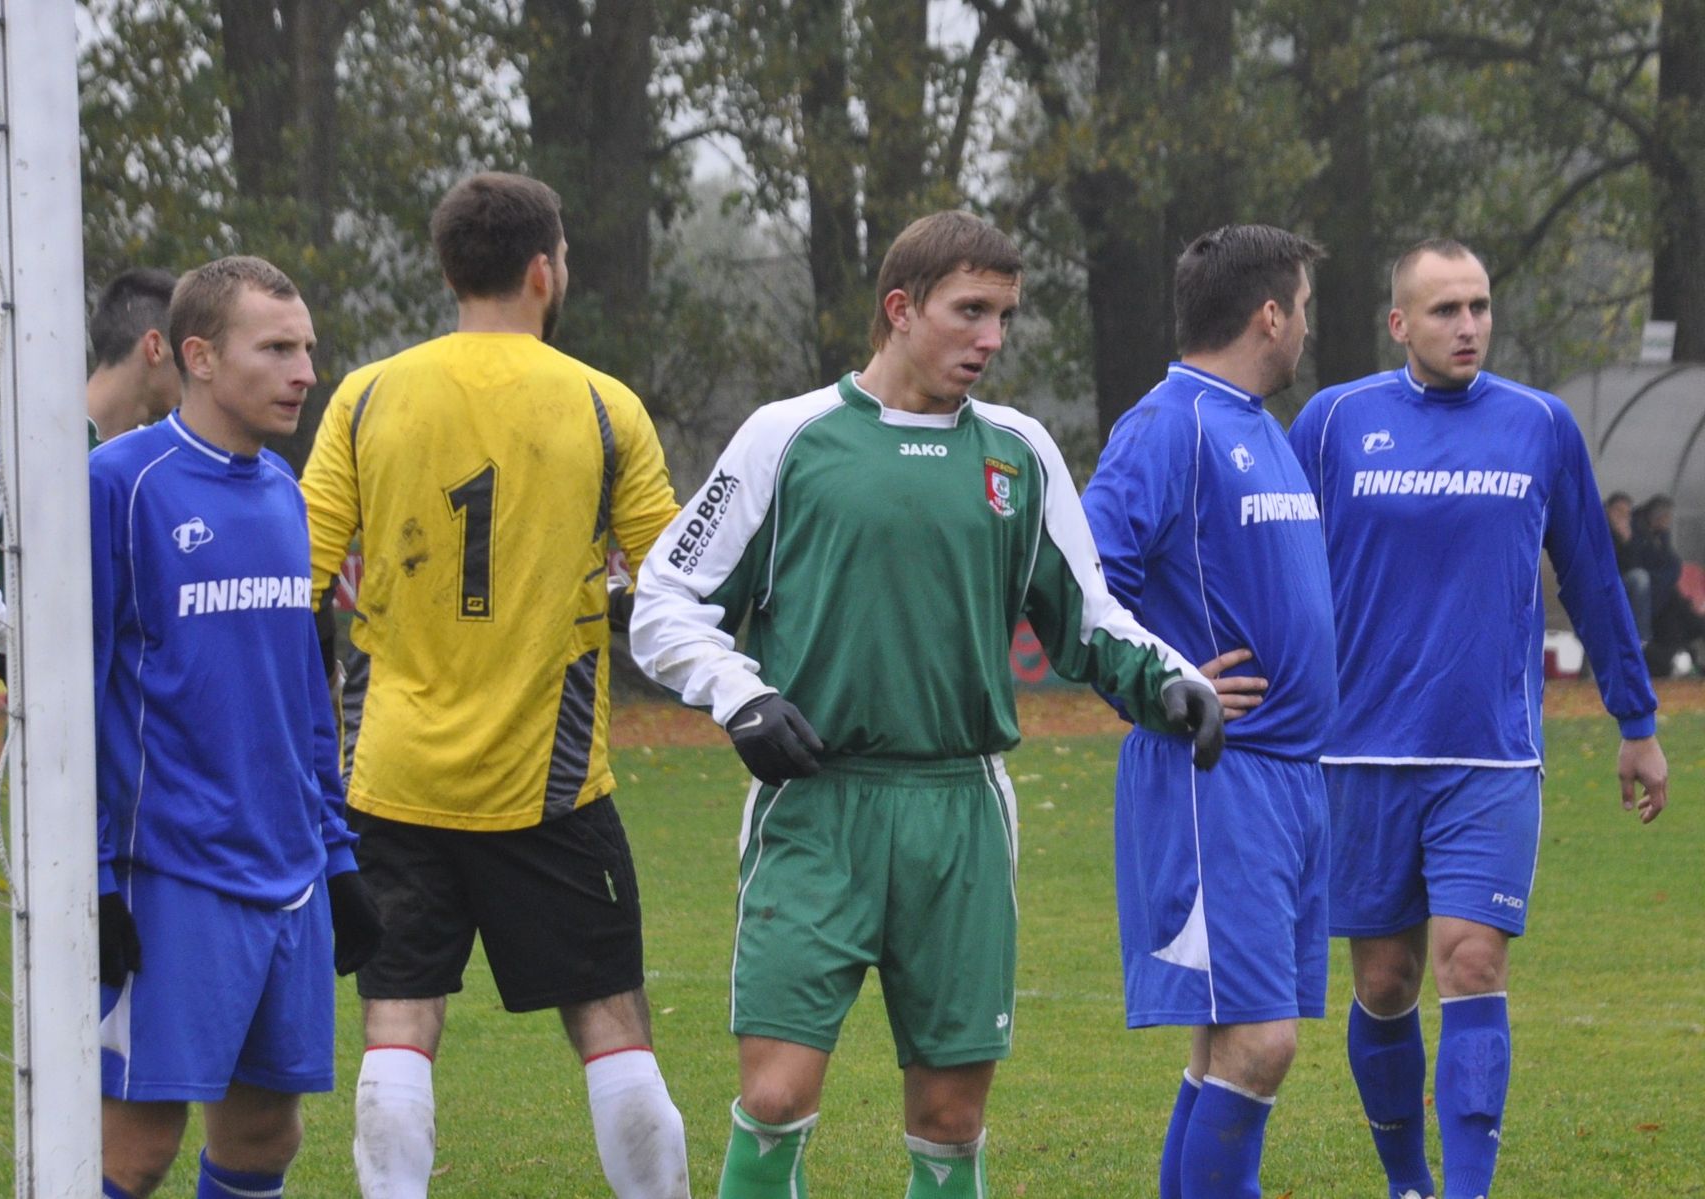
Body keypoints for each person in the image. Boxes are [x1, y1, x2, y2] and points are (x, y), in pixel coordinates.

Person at [630, 210, 1226, 1199]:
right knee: (775, 1095)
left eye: (1003, 316)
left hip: (958, 812)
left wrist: (1170, 683)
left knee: (949, 1119)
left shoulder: (1015, 451)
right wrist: (741, 695)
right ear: (899, 311)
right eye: (969, 312)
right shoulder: (788, 437)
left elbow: (1088, 615)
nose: (989, 339)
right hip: (816, 809)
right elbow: (662, 597)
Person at [300, 172, 690, 1199]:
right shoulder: (605, 404)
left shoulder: (366, 394)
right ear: (543, 269)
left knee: (398, 1022)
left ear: (444, 268)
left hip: (388, 772)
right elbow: (677, 582)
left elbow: (297, 573)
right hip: (550, 785)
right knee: (611, 1023)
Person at [1289, 238, 1668, 1199]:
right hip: (1358, 755)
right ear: (1399, 322)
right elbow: (1275, 566)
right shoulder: (1334, 423)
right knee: (1383, 982)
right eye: (1447, 309)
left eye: (1481, 307)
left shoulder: (1540, 426)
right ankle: (1408, 1182)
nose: (1469, 326)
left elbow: (1590, 572)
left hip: (1488, 758)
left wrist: (1637, 718)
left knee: (1473, 960)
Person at [90, 255, 384, 1198]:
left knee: (265, 1134)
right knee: (133, 1150)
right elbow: (73, 700)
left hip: (290, 874)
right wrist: (94, 881)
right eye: (278, 349)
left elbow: (304, 695)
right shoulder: (119, 485)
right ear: (200, 357)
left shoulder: (286, 496)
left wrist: (337, 859)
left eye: (308, 348)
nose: (305, 371)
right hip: (169, 875)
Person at [1080, 225, 1337, 1199]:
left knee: (1226, 1043)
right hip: (1215, 775)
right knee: (1258, 1042)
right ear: (1268, 313)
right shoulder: (1167, 423)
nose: (1305, 327)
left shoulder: (1258, 423)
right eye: (1303, 308)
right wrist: (1157, 685)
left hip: (1287, 779)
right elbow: (1082, 578)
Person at [0, 267, 181, 658]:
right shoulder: (36, 437)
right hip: (47, 715)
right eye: (188, 348)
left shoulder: (156, 454)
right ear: (155, 348)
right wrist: (18, 636)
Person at [1629, 493, 1705, 674]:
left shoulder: (1661, 534)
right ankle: (1680, 661)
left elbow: (1671, 563)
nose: (1669, 521)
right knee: (1676, 621)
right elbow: (1646, 565)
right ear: (1657, 516)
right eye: (1667, 516)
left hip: (1666, 596)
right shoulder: (1635, 533)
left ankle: (1687, 658)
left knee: (1682, 616)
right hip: (1652, 599)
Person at [1605, 491, 1653, 644]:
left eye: (1627, 513)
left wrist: (1627, 542)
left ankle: (1640, 638)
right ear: (1608, 509)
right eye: (1618, 511)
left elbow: (1635, 564)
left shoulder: (1632, 533)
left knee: (1641, 578)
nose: (1622, 516)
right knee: (1639, 578)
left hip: (1622, 580)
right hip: (1599, 580)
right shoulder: (1597, 527)